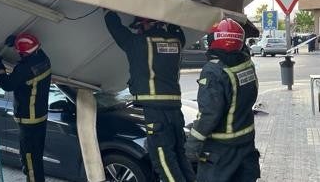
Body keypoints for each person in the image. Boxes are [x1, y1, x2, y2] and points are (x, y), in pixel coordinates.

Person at [104, 11, 195, 182]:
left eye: (139, 27)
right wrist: (172, 23)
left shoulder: (139, 43)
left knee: (164, 162)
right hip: (175, 111)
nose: (137, 31)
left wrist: (108, 11)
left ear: (146, 24)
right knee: (180, 158)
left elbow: (116, 30)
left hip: (155, 112)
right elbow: (178, 32)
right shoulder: (176, 42)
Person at [185, 18, 260, 182]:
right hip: (246, 141)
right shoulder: (246, 62)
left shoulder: (213, 71)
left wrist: (193, 143)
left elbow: (209, 113)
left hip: (222, 148)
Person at [0, 33, 51, 182]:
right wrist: (17, 42)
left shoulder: (23, 69)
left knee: (30, 160)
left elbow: (7, 84)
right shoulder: (45, 60)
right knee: (36, 158)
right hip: (41, 118)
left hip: (28, 121)